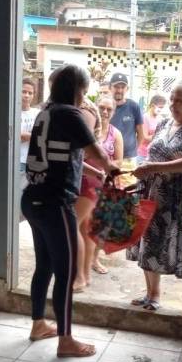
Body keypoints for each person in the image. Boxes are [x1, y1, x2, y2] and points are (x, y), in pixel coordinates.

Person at [21, 64, 117, 358]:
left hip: (33, 199)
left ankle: (39, 324)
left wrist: (95, 172)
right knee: (67, 271)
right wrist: (111, 167)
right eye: (84, 91)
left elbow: (65, 153)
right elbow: (96, 150)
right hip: (56, 204)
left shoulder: (47, 112)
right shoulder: (70, 113)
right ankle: (66, 340)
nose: (84, 97)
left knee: (45, 266)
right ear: (78, 89)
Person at [128, 79, 182, 311]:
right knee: (144, 241)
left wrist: (152, 167)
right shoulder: (164, 123)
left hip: (170, 195)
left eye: (180, 100)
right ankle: (148, 292)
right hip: (148, 189)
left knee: (157, 243)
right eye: (172, 99)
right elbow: (151, 153)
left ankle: (155, 295)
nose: (173, 104)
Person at [74, 94, 124, 286]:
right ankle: (83, 273)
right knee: (86, 229)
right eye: (102, 107)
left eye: (109, 109)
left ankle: (83, 272)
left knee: (87, 228)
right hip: (82, 179)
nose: (105, 111)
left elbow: (118, 161)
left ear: (114, 112)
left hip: (97, 182)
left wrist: (102, 164)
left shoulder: (115, 134)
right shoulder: (88, 127)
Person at [110, 72, 144, 186]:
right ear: (110, 87)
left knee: (128, 191)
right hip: (109, 159)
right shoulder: (106, 107)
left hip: (128, 160)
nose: (119, 90)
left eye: (122, 87)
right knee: (107, 191)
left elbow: (141, 134)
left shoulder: (133, 106)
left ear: (127, 89)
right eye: (116, 86)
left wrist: (133, 151)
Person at [138, 94, 168, 163]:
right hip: (143, 154)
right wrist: (160, 136)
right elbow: (145, 137)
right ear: (152, 105)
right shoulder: (145, 118)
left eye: (162, 107)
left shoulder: (160, 118)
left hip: (155, 155)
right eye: (160, 107)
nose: (161, 109)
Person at [20, 78, 40, 172]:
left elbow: (42, 137)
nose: (26, 95)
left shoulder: (38, 113)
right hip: (16, 160)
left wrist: (25, 135)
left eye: (30, 93)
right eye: (24, 92)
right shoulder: (11, 114)